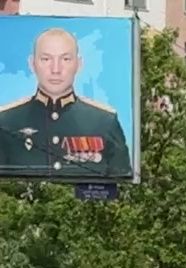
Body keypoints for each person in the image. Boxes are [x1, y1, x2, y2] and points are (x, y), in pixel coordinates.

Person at [0, 28, 132, 177]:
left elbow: (122, 185)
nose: (56, 69)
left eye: (65, 59)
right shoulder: (6, 121)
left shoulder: (104, 121)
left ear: (79, 64)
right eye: (46, 59)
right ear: (32, 64)